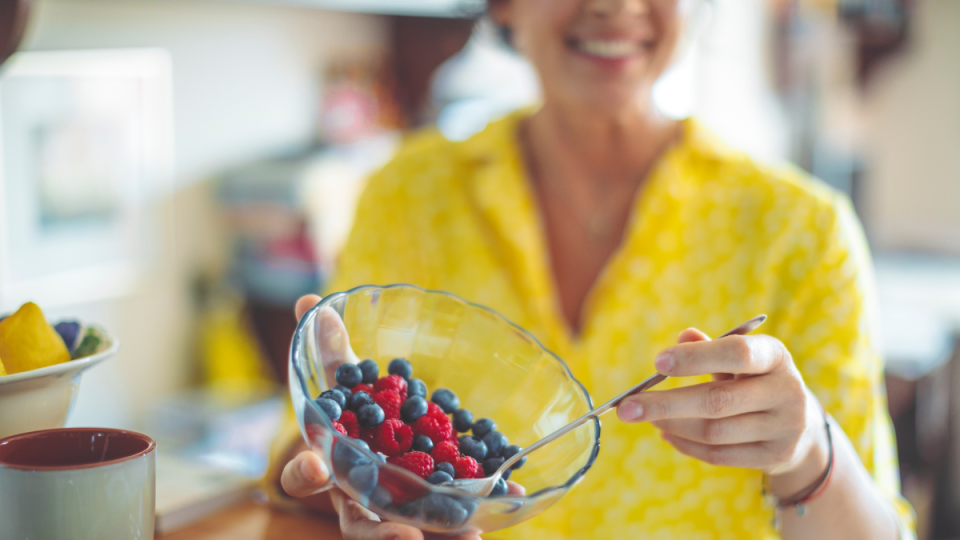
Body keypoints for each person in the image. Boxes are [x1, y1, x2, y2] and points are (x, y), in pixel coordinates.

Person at [268, 0, 916, 538]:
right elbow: (298, 467)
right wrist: (347, 484)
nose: (615, 6)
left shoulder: (803, 230)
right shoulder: (409, 192)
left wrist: (807, 454)